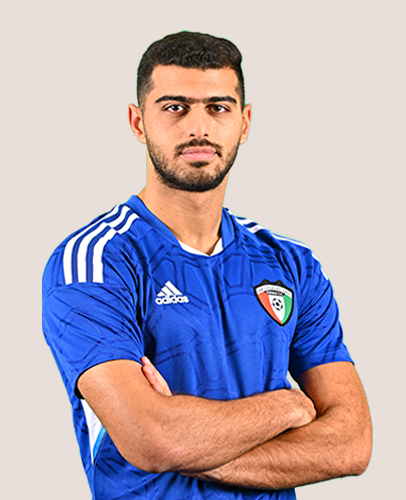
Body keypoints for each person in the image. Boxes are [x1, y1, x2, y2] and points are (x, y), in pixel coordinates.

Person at [42, 31, 372, 499]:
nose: (198, 127)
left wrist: (187, 447)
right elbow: (151, 439)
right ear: (138, 122)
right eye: (175, 108)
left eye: (218, 108)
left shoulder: (290, 263)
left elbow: (351, 444)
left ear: (245, 121)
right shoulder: (95, 263)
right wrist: (289, 406)